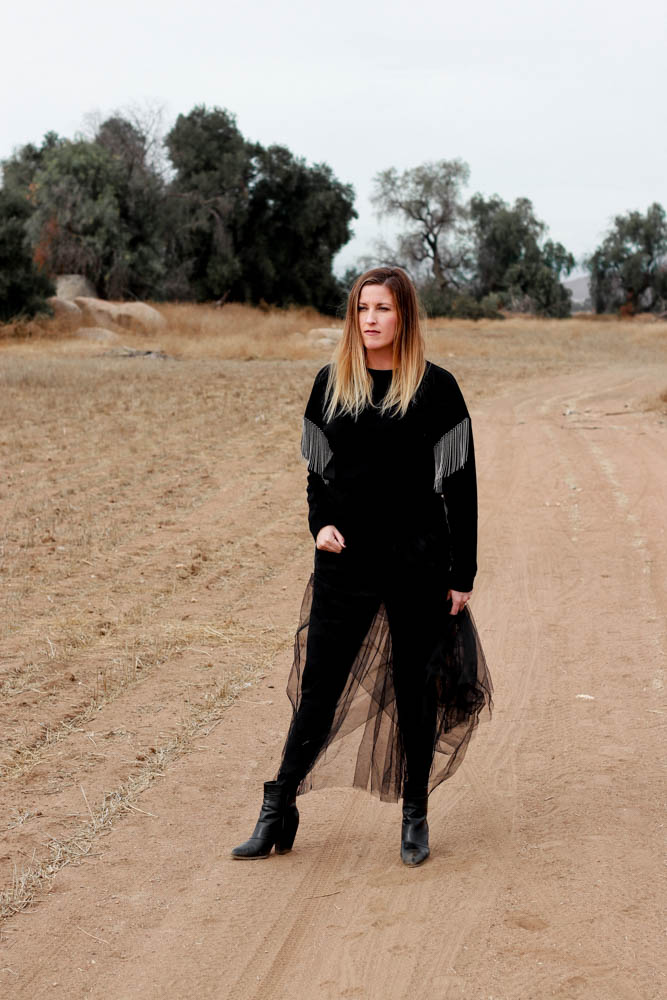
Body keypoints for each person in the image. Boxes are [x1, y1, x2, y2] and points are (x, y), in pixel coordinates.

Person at [231, 266, 492, 867]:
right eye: (362, 308)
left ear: (405, 317)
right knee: (320, 687)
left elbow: (463, 490)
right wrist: (317, 524)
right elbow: (317, 474)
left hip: (417, 562)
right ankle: (278, 808)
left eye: (383, 309)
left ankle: (414, 815)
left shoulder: (436, 388)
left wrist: (462, 574)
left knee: (414, 689)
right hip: (346, 561)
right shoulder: (332, 383)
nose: (370, 319)